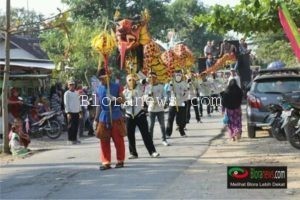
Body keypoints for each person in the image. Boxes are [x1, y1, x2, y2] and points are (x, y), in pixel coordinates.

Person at [94, 68, 126, 170]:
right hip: (104, 117)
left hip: (116, 115)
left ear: (108, 77)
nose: (101, 81)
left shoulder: (117, 87)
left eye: (103, 78)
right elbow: (98, 105)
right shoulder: (98, 89)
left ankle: (120, 160)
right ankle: (106, 162)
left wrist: (114, 99)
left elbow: (123, 100)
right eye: (100, 79)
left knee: (118, 140)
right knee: (104, 141)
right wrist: (96, 119)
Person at [123, 74, 160, 159]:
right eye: (129, 80)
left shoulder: (140, 87)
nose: (131, 81)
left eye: (133, 80)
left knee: (146, 134)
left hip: (139, 114)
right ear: (126, 82)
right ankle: (133, 153)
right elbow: (122, 104)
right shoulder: (124, 92)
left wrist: (144, 77)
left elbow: (145, 80)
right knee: (130, 135)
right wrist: (127, 104)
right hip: (129, 115)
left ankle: (152, 151)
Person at [145, 72, 169, 146]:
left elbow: (165, 96)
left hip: (160, 109)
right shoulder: (148, 87)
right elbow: (145, 98)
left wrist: (162, 102)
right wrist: (149, 96)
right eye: (150, 78)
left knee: (162, 125)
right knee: (151, 125)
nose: (152, 79)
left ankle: (164, 139)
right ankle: (150, 140)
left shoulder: (161, 86)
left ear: (156, 78)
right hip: (151, 109)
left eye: (153, 78)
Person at [166, 70, 188, 138]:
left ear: (181, 76)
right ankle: (168, 133)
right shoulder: (171, 82)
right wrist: (170, 86)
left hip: (181, 103)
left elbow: (186, 93)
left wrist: (181, 94)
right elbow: (168, 90)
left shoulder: (184, 83)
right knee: (170, 119)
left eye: (179, 75)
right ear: (175, 75)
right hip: (173, 103)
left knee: (181, 120)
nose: (178, 76)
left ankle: (182, 132)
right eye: (177, 75)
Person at [64, 79, 82, 145]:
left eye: (73, 84)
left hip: (76, 111)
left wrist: (80, 111)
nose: (72, 86)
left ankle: (75, 139)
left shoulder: (76, 93)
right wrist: (68, 113)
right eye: (70, 85)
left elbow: (78, 102)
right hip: (70, 112)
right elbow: (66, 103)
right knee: (71, 126)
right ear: (68, 86)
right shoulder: (67, 93)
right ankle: (70, 139)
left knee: (76, 126)